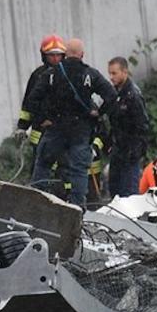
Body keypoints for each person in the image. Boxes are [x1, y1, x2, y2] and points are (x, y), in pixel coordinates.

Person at [25, 38, 117, 206]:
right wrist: (98, 112)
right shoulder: (90, 74)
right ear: (82, 55)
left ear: (65, 54)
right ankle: (77, 208)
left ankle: (36, 202)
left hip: (56, 128)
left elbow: (33, 99)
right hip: (81, 130)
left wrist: (46, 117)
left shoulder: (52, 74)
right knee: (79, 171)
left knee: (43, 163)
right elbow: (111, 95)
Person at [104, 56, 150, 197]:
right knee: (114, 189)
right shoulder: (114, 92)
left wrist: (136, 150)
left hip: (130, 151)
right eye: (110, 73)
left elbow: (142, 125)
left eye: (114, 73)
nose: (111, 77)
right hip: (118, 148)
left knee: (128, 193)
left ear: (125, 72)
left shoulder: (133, 95)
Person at [15, 34, 67, 149]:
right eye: (51, 55)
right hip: (39, 133)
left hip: (63, 133)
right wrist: (22, 127)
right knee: (39, 166)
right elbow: (28, 104)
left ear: (63, 55)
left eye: (58, 55)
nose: (55, 58)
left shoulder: (69, 75)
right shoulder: (37, 75)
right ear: (44, 55)